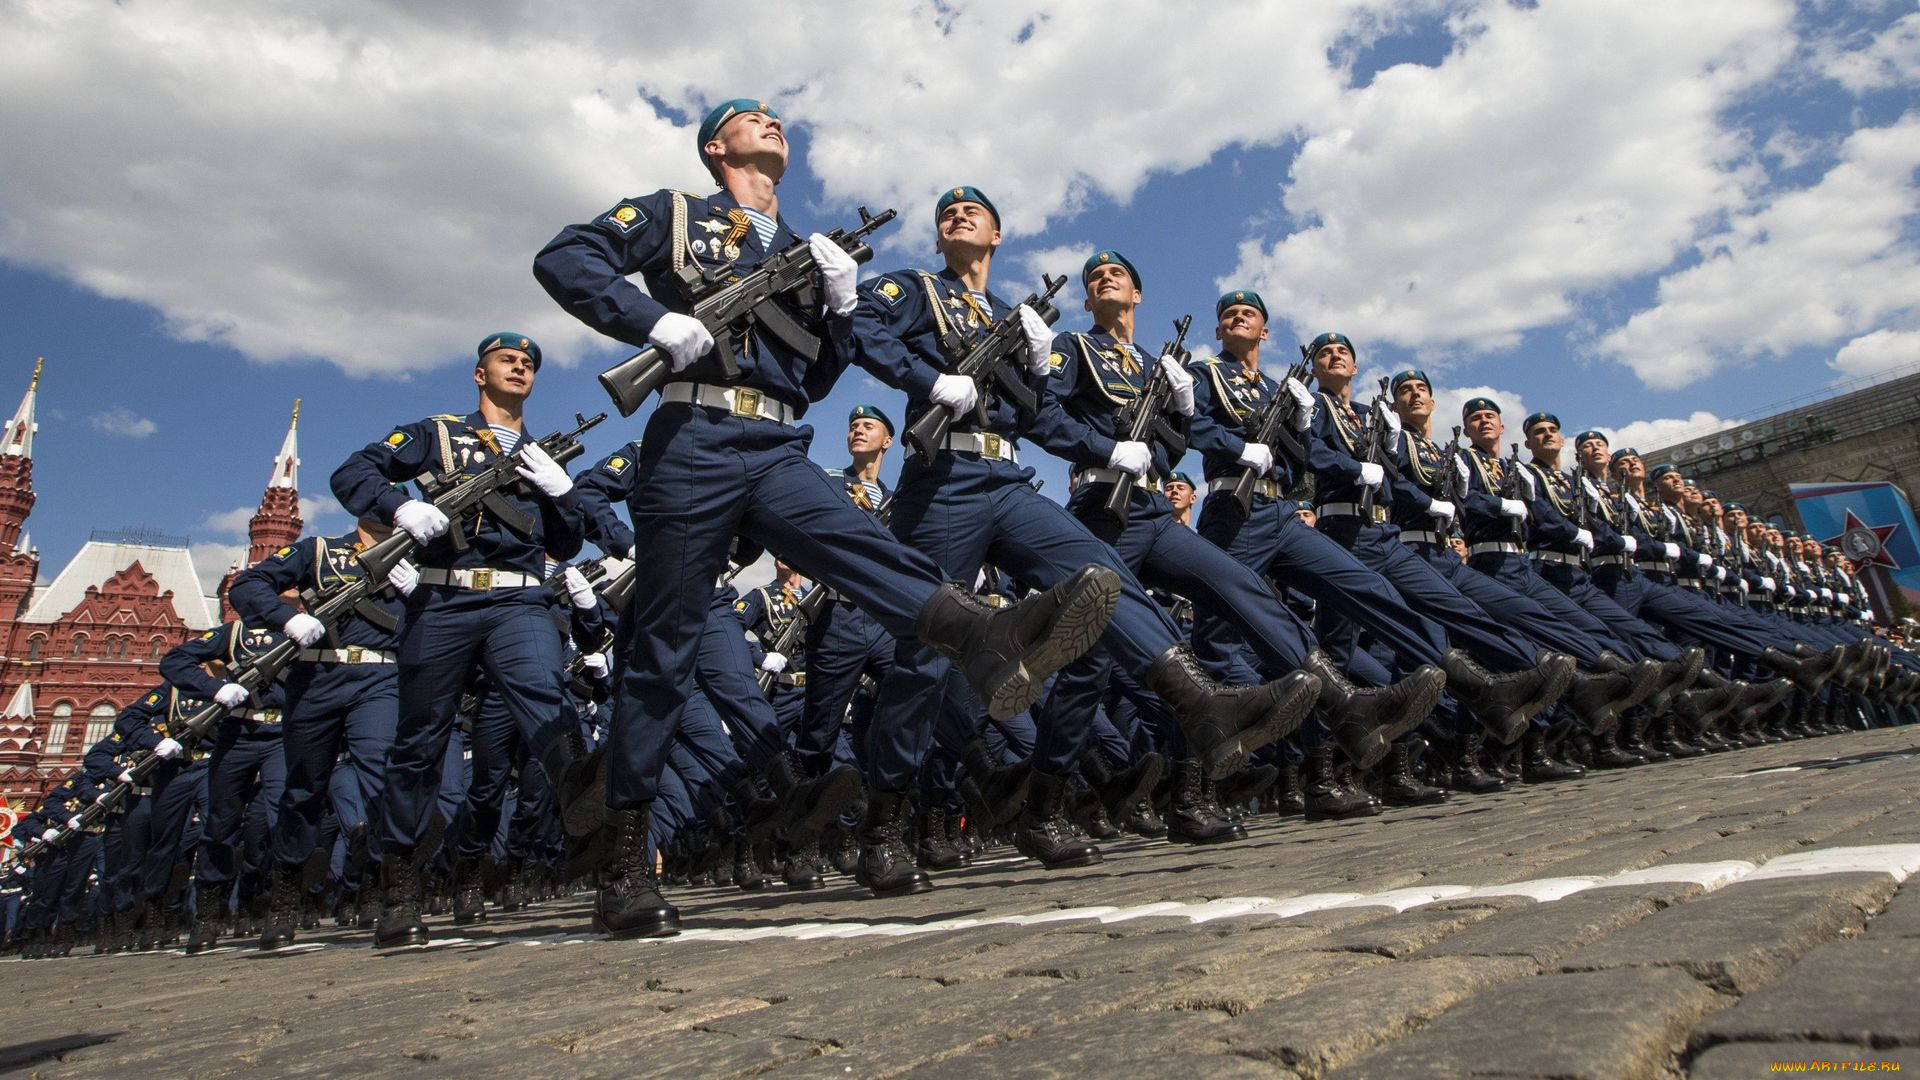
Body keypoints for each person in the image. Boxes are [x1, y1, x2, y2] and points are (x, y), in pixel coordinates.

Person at [533, 104, 1119, 925]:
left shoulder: (806, 251)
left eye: (778, 120)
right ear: (716, 147)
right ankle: (625, 859)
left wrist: (840, 311)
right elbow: (565, 257)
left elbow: (811, 381)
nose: (770, 125)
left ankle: (986, 637)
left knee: (861, 545)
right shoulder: (673, 215)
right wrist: (652, 320)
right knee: (662, 650)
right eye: (749, 119)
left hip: (776, 441)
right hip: (694, 435)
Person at [331, 332, 596, 948]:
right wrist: (398, 507)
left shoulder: (540, 453)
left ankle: (590, 814)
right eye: (508, 360)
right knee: (419, 741)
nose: (521, 367)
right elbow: (352, 471)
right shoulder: (436, 433)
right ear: (480, 374)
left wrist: (562, 494)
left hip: (519, 597)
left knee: (545, 695)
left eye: (529, 363)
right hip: (443, 597)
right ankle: (400, 887)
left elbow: (565, 544)